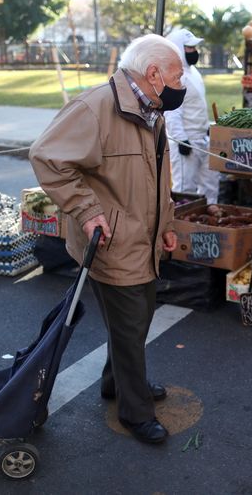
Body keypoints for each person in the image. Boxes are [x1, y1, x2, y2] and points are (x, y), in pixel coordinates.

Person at [29, 34, 185, 445]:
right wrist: (86, 209)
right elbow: (47, 156)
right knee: (132, 325)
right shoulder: (96, 107)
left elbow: (159, 177)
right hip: (113, 240)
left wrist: (167, 223)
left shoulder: (152, 108)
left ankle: (115, 382)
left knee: (136, 318)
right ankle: (135, 412)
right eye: (176, 74)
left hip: (143, 236)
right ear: (153, 75)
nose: (181, 83)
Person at [164, 28, 220, 204]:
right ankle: (179, 228)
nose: (194, 51)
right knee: (184, 190)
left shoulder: (194, 73)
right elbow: (172, 112)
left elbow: (197, 106)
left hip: (203, 139)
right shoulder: (175, 76)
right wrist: (181, 139)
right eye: (189, 48)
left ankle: (209, 221)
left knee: (210, 186)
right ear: (178, 48)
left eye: (195, 47)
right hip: (186, 141)